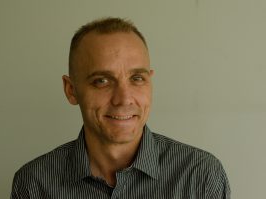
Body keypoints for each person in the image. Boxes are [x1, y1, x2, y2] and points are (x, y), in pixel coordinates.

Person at [11, 17, 230, 199]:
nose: (124, 99)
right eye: (102, 81)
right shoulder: (34, 184)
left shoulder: (200, 176)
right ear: (71, 90)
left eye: (137, 78)